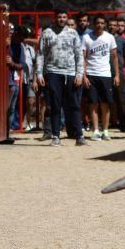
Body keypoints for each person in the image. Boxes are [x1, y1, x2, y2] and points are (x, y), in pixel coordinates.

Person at [36, 9, 87, 146]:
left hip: (70, 73)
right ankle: (55, 136)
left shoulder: (73, 33)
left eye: (64, 17)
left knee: (74, 105)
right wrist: (39, 73)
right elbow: (40, 53)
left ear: (67, 18)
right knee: (55, 105)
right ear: (55, 18)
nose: (62, 19)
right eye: (59, 17)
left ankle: (79, 137)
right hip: (53, 72)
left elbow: (79, 55)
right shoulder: (47, 33)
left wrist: (79, 74)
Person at [82, 15, 119, 140]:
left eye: (102, 23)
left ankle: (106, 131)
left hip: (105, 75)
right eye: (97, 22)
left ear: (105, 24)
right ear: (93, 24)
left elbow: (114, 57)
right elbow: (83, 58)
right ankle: (96, 130)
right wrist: (84, 76)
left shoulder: (109, 37)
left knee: (105, 104)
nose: (99, 25)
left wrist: (117, 75)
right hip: (91, 74)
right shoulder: (86, 38)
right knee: (93, 103)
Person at [108, 17, 125, 133]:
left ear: (118, 27)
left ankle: (123, 124)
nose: (112, 27)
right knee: (106, 100)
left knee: (121, 100)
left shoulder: (123, 41)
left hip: (119, 73)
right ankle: (109, 123)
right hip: (105, 72)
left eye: (114, 25)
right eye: (110, 24)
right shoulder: (104, 39)